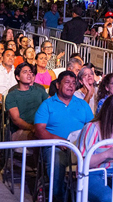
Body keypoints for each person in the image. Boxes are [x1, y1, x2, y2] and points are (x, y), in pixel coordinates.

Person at [35, 71, 94, 202]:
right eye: (67, 82)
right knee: (56, 158)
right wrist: (60, 141)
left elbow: (92, 127)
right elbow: (39, 130)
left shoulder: (82, 104)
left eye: (74, 83)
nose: (71, 86)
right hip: (56, 147)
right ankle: (58, 197)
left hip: (80, 147)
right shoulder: (47, 105)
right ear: (57, 84)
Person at [6, 62, 49, 141]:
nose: (29, 74)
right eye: (25, 72)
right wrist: (32, 128)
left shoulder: (39, 90)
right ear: (18, 77)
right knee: (38, 137)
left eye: (30, 72)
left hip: (42, 127)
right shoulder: (12, 95)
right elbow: (16, 119)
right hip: (22, 130)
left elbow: (51, 104)